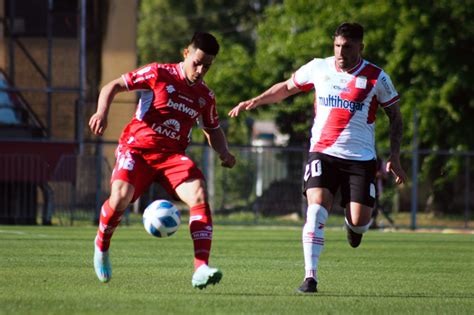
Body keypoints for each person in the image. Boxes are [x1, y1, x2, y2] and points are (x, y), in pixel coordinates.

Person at [229, 22, 407, 293]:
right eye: (336, 46)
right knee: (315, 210)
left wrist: (395, 155)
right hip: (322, 153)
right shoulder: (318, 67)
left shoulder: (376, 77)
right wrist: (256, 100)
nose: (340, 52)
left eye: (347, 47)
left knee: (360, 221)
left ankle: (353, 227)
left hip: (360, 159)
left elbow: (395, 116)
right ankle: (310, 277)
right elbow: (287, 88)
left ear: (361, 47)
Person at [89, 32, 236, 288]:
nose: (201, 70)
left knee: (199, 194)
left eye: (207, 66)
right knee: (120, 196)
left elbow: (212, 128)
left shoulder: (205, 96)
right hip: (138, 150)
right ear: (186, 53)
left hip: (171, 158)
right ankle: (101, 244)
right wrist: (102, 112)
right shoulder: (158, 74)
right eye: (197, 63)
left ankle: (201, 269)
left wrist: (224, 152)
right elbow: (112, 86)